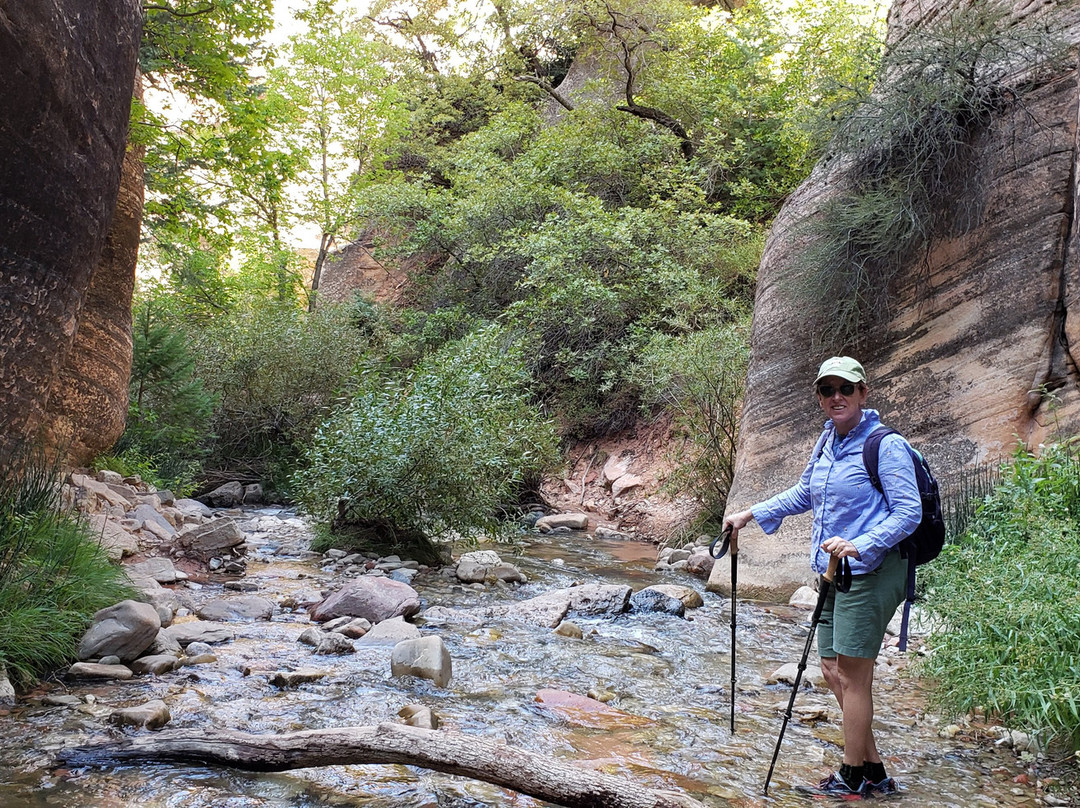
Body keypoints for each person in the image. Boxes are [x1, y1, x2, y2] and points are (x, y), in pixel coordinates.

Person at [723, 356, 921, 797]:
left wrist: (861, 543)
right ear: (819, 397)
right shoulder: (828, 440)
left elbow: (909, 512)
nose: (836, 397)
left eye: (844, 389)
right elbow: (804, 492)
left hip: (871, 571)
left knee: (853, 675)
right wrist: (750, 514)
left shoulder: (885, 446)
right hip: (833, 572)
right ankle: (875, 772)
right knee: (832, 669)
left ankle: (851, 777)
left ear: (862, 393)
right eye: (826, 390)